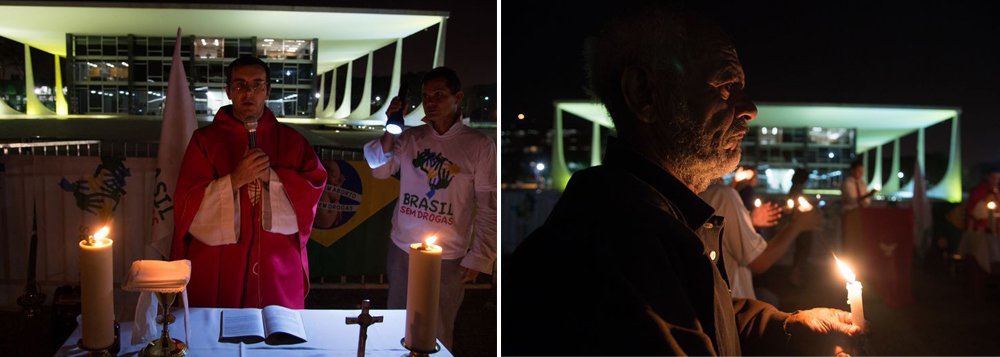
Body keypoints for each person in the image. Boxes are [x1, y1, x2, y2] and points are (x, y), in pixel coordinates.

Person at [507, 6, 862, 355]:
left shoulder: (656, 217)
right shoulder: (616, 247)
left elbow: (702, 315)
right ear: (645, 94)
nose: (750, 109)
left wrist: (785, 328)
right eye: (725, 86)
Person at [171, 56, 327, 309]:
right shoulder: (204, 141)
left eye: (257, 85)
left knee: (276, 339)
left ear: (268, 91)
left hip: (274, 259)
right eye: (240, 84)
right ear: (228, 91)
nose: (248, 93)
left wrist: (272, 178)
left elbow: (312, 189)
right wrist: (234, 181)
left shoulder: (292, 141)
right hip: (219, 259)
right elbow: (186, 202)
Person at [363, 67, 496, 350]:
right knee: (397, 318)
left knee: (437, 328)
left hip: (448, 254)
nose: (431, 102)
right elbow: (379, 169)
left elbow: (488, 205)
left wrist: (480, 256)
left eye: (439, 94)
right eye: (426, 96)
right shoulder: (414, 137)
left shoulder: (479, 145)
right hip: (403, 247)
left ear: (457, 97)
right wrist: (390, 127)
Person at [700, 181, 822, 299]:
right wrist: (798, 225)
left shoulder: (696, 194)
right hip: (731, 304)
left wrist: (748, 221)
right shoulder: (722, 195)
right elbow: (759, 260)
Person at [965, 166, 1000, 233]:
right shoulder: (980, 189)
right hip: (981, 220)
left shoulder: (997, 190)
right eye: (993, 178)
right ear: (988, 177)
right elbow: (972, 206)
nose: (995, 180)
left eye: (998, 178)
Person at [314, 160, 348, 229]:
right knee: (336, 203)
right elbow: (336, 198)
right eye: (334, 176)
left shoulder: (322, 186)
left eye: (337, 178)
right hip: (323, 218)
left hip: (323, 219)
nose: (336, 181)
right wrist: (339, 184)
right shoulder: (327, 188)